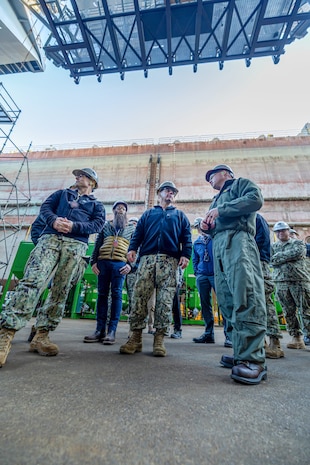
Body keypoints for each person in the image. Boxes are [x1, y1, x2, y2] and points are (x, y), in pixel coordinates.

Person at [0, 168, 105, 367]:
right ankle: (6, 334)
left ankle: (41, 335)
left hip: (75, 246)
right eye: (77, 175)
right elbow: (45, 209)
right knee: (32, 282)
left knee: (60, 290)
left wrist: (74, 227)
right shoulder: (60, 194)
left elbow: (97, 225)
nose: (77, 177)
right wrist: (54, 221)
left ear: (92, 181)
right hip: (50, 240)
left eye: (82, 175)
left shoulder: (96, 205)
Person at [202, 164, 267, 385]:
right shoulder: (215, 200)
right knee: (228, 301)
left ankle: (254, 360)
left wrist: (221, 210)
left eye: (212, 175)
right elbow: (215, 226)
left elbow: (255, 200)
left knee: (245, 295)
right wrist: (206, 227)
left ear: (226, 174)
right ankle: (241, 352)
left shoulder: (241, 184)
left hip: (239, 240)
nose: (209, 179)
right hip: (219, 245)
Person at [119, 181, 192, 357]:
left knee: (165, 301)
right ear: (159, 193)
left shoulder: (180, 216)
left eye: (173, 192)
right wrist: (132, 249)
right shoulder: (148, 214)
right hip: (147, 260)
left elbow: (187, 238)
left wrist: (186, 255)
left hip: (170, 261)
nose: (170, 194)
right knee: (139, 297)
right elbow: (138, 234)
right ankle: (135, 337)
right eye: (167, 190)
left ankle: (159, 339)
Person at [84, 201, 135, 345]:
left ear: (126, 212)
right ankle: (99, 330)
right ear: (113, 210)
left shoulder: (131, 228)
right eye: (118, 208)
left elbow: (136, 248)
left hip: (120, 264)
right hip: (103, 263)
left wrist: (131, 265)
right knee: (101, 295)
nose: (121, 210)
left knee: (117, 295)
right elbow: (97, 245)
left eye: (123, 209)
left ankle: (112, 331)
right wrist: (93, 262)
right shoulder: (105, 226)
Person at [192, 217, 232, 348]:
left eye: (201, 227)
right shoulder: (197, 243)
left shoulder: (215, 239)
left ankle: (229, 336)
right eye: (198, 228)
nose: (200, 230)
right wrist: (198, 272)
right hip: (202, 276)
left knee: (224, 303)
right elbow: (195, 259)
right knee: (205, 305)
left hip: (216, 275)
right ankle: (208, 333)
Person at [271, 221, 310, 348]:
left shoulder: (298, 243)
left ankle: (308, 335)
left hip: (299, 281)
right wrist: (285, 257)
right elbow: (271, 259)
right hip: (281, 282)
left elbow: (298, 253)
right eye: (277, 231)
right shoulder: (273, 246)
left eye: (283, 230)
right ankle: (296, 337)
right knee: (288, 312)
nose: (280, 233)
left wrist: (279, 257)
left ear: (288, 231)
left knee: (305, 310)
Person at [255, 214, 284, 358]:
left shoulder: (256, 219)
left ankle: (275, 342)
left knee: (266, 303)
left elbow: (260, 242)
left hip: (259, 263)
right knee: (254, 304)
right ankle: (262, 341)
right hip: (249, 263)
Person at [170, 266, 184, 339]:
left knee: (175, 306)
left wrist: (179, 280)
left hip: (174, 279)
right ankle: (161, 329)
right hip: (162, 278)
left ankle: (177, 329)